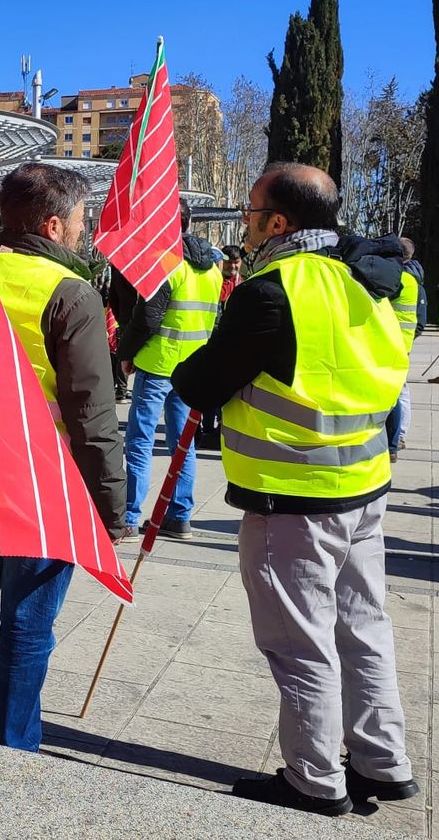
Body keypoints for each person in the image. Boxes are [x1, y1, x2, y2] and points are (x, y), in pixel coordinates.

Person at [172, 163, 413, 816]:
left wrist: (185, 363)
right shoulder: (364, 278)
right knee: (364, 626)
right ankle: (382, 761)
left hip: (294, 495)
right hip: (365, 485)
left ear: (278, 221)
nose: (244, 222)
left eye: (250, 210)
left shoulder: (271, 290)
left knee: (299, 640)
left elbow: (200, 382)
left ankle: (313, 777)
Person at [0, 164, 126, 752]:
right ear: (53, 224)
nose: (83, 232)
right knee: (27, 619)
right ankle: (12, 738)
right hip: (42, 480)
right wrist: (109, 505)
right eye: (80, 221)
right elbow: (92, 412)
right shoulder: (71, 294)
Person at [115, 201, 222, 539]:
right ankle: (179, 515)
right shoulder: (213, 269)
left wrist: (126, 352)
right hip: (192, 367)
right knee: (183, 443)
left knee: (140, 441)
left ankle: (130, 516)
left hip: (158, 363)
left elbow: (147, 318)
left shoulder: (166, 265)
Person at [195, 245, 244, 450]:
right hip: (211, 341)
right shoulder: (213, 280)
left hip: (232, 345)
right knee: (209, 389)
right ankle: (207, 430)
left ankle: (222, 429)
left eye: (236, 262)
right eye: (229, 262)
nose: (232, 266)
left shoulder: (243, 283)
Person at [385, 238, 424, 462]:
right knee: (398, 392)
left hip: (392, 341)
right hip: (403, 341)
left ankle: (393, 443)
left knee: (395, 395)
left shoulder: (398, 278)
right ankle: (394, 440)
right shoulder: (412, 280)